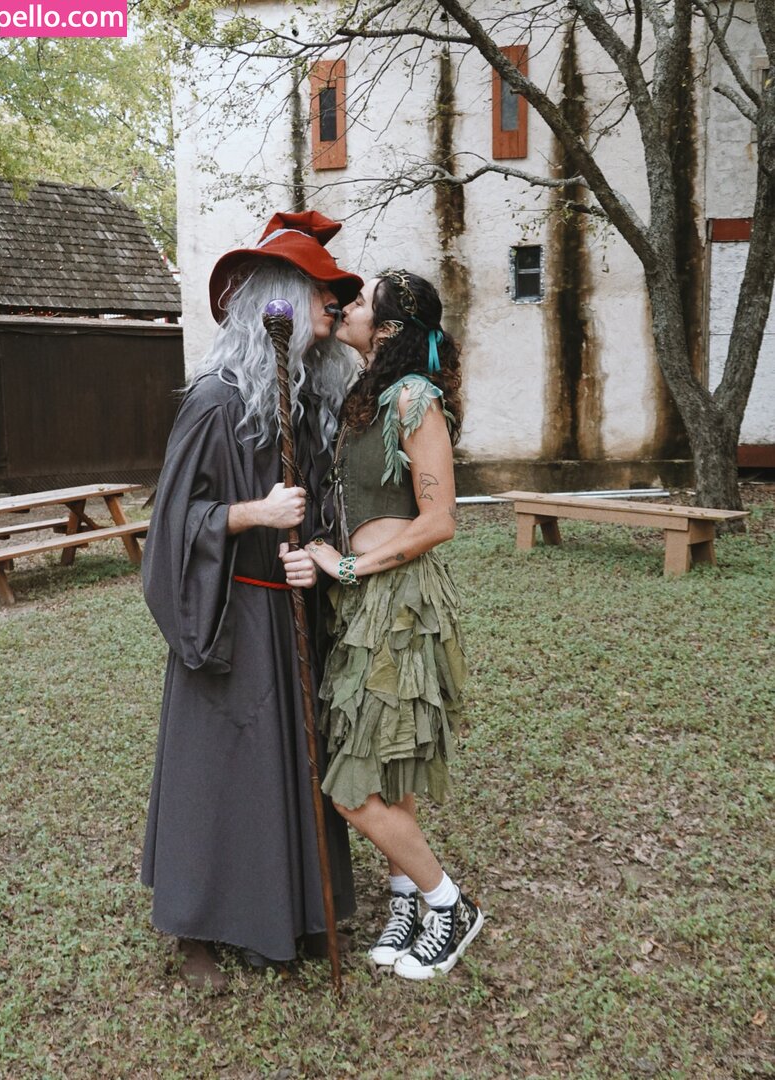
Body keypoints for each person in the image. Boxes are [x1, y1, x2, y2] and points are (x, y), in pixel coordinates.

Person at [140, 211, 363, 991]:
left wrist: (313, 559)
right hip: (230, 614)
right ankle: (195, 927)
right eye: (322, 293)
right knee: (217, 771)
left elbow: (321, 511)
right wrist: (253, 515)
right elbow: (172, 524)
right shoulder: (215, 400)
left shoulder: (310, 404)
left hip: (286, 612)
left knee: (288, 767)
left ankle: (285, 915)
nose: (335, 309)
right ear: (281, 302)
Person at [297, 268, 484, 980]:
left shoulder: (414, 398)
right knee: (389, 762)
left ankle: (450, 906)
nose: (347, 306)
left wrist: (348, 566)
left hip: (399, 604)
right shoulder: (367, 395)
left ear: (390, 328)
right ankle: (405, 899)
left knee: (350, 787)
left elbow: (440, 521)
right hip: (365, 605)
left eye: (362, 300)